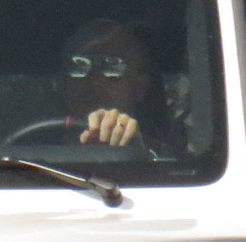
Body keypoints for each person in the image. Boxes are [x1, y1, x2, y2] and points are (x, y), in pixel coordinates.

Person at [59, 19, 177, 152]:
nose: (95, 81)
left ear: (140, 87)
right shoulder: (33, 152)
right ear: (63, 84)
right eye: (79, 66)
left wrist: (137, 147)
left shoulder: (165, 157)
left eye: (112, 66)